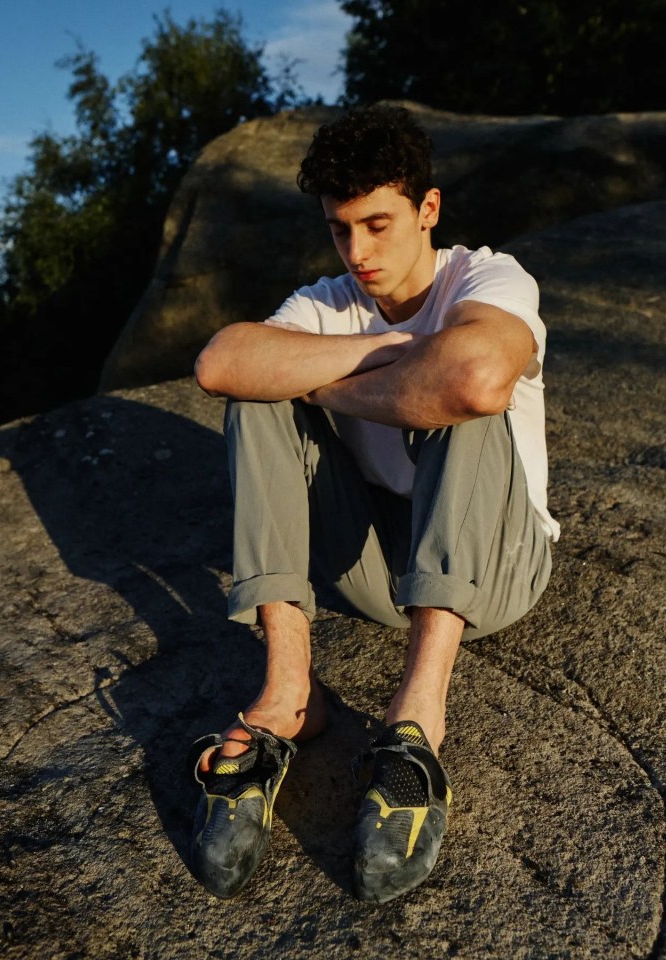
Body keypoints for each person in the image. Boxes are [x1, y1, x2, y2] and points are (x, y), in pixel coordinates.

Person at [189, 104, 559, 903]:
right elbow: (222, 362)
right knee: (256, 400)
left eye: (378, 224)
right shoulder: (326, 301)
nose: (358, 253)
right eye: (339, 230)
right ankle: (289, 694)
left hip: (493, 563)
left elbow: (475, 378)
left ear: (429, 211)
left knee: (462, 399)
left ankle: (418, 719)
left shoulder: (490, 277)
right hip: (372, 569)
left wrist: (327, 375)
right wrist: (396, 355)